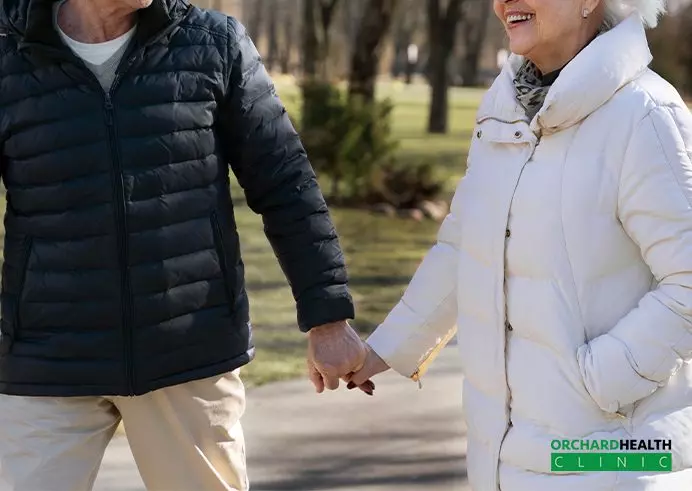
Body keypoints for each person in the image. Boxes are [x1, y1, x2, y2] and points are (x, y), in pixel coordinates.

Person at [0, 1, 367, 490]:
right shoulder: (9, 47)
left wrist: (327, 316)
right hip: (46, 359)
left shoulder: (213, 42)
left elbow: (285, 183)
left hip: (188, 354)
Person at [348, 0, 692, 489]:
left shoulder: (645, 114)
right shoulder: (503, 109)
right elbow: (466, 246)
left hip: (614, 461)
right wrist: (384, 349)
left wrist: (597, 380)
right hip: (505, 460)